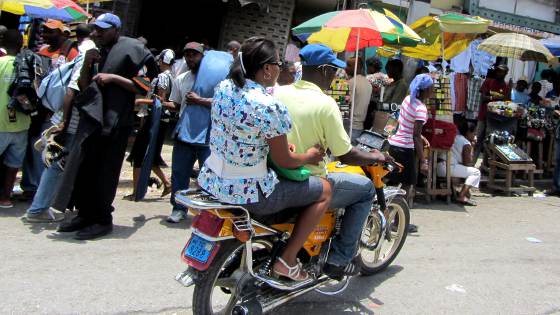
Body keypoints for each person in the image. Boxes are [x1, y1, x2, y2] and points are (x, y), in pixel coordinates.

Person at [198, 37, 331, 281]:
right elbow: (286, 161)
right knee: (324, 190)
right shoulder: (268, 105)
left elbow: (240, 136)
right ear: (267, 69)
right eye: (279, 63)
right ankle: (287, 260)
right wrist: (310, 156)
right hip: (250, 192)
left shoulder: (224, 88)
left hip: (212, 181)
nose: (282, 68)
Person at [274, 43, 388, 280]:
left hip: (277, 175)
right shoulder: (326, 104)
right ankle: (340, 258)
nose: (336, 76)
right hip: (309, 182)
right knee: (365, 189)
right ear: (325, 70)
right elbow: (345, 154)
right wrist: (375, 156)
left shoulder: (278, 92)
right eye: (334, 71)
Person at [55, 13, 157, 240]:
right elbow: (84, 86)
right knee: (85, 170)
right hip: (92, 120)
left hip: (117, 122)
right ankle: (84, 214)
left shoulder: (133, 50)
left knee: (105, 173)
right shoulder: (95, 52)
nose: (96, 33)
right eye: (95, 29)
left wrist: (113, 78)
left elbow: (145, 86)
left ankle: (102, 219)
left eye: (102, 29)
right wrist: (86, 66)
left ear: (115, 29)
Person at [167, 42, 231, 223]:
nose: (190, 58)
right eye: (187, 54)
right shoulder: (181, 79)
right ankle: (178, 208)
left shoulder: (221, 82)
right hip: (184, 134)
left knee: (208, 177)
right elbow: (177, 105)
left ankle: (207, 214)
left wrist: (200, 100)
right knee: (179, 174)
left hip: (208, 137)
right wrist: (158, 103)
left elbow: (225, 104)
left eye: (194, 55)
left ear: (204, 58)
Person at [125, 49, 176, 200]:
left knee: (139, 155)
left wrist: (140, 101)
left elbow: (160, 101)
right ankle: (167, 184)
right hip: (157, 120)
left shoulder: (162, 77)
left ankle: (137, 192)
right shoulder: (171, 77)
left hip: (155, 120)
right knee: (150, 156)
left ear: (161, 61)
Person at [387, 74, 433, 232]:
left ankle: (385, 217)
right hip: (405, 150)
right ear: (426, 90)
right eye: (431, 88)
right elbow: (414, 135)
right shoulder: (421, 108)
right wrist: (424, 160)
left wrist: (420, 135)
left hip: (393, 145)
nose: (432, 91)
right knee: (406, 187)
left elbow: (406, 124)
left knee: (391, 184)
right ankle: (399, 223)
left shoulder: (407, 100)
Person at [0, 30, 26, 208]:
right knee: (13, 165)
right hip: (22, 124)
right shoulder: (28, 64)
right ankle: (6, 198)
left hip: (0, 122)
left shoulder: (1, 63)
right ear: (21, 45)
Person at [437, 120, 480, 206]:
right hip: (447, 167)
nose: (475, 135)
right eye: (474, 133)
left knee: (465, 172)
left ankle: (460, 192)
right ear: (468, 132)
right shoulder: (466, 143)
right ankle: (462, 195)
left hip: (438, 167)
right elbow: (467, 163)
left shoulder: (455, 137)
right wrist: (473, 146)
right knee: (476, 172)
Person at [474, 64, 511, 161]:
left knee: (490, 141)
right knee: (477, 139)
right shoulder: (488, 81)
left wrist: (503, 96)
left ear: (506, 73)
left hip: (495, 119)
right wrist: (495, 98)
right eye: (498, 71)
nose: (499, 73)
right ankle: (472, 160)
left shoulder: (506, 86)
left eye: (501, 71)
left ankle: (486, 163)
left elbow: (507, 101)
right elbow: (483, 97)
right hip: (483, 115)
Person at [346, 57, 372, 144]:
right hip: (360, 127)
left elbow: (346, 104)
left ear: (358, 67)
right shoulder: (368, 83)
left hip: (350, 126)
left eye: (349, 65)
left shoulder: (351, 82)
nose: (346, 67)